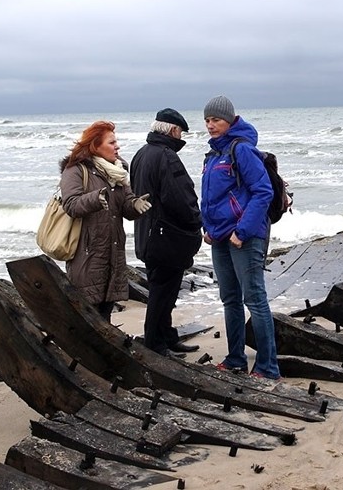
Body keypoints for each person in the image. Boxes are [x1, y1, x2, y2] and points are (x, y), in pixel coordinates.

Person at [200, 95, 281, 380]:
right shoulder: (213, 155)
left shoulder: (242, 150)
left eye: (216, 120)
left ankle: (267, 367)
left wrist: (242, 231)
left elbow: (263, 192)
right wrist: (207, 228)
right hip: (220, 237)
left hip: (245, 236)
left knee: (255, 299)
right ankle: (235, 359)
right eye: (208, 120)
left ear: (231, 120)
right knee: (230, 299)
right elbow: (213, 198)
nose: (211, 125)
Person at [59, 120, 152, 322]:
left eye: (116, 141)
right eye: (112, 142)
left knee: (105, 314)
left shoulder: (117, 172)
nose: (117, 146)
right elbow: (71, 205)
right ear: (95, 146)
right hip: (88, 255)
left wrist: (135, 206)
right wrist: (95, 198)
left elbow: (126, 206)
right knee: (88, 317)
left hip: (114, 254)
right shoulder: (75, 170)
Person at [130, 108, 203, 357]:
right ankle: (155, 344)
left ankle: (167, 337)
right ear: (173, 130)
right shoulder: (166, 156)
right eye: (181, 131)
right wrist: (196, 222)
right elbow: (180, 199)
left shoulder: (141, 154)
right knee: (163, 294)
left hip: (147, 235)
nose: (181, 136)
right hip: (166, 238)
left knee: (161, 290)